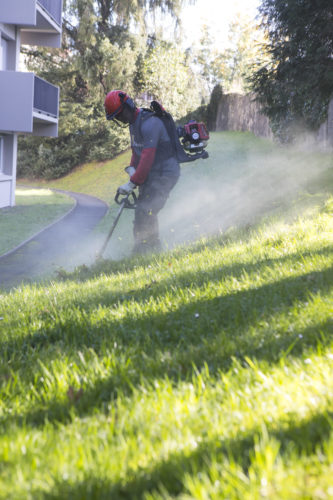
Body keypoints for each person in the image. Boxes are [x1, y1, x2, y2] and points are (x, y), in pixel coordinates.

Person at [104, 90, 180, 254]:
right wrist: (132, 171)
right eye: (116, 118)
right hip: (152, 174)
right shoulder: (134, 124)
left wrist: (133, 182)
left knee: (147, 209)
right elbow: (136, 152)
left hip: (166, 173)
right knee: (142, 210)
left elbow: (147, 157)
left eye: (119, 115)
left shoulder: (150, 124)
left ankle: (148, 250)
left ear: (128, 106)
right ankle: (144, 249)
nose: (120, 119)